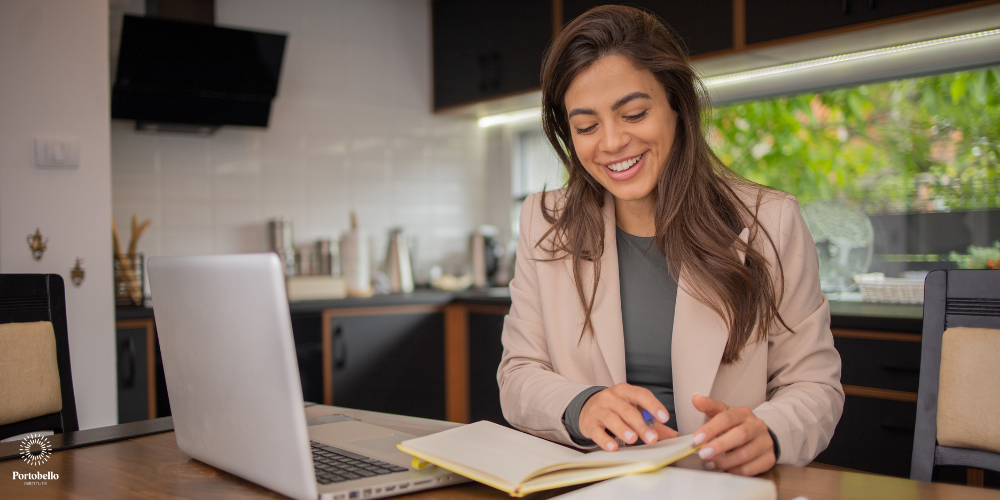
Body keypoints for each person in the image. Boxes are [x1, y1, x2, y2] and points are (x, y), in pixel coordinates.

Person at [497, 5, 844, 476]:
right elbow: (518, 374)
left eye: (634, 113)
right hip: (594, 483)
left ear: (677, 106)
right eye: (586, 126)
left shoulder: (770, 221)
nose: (613, 141)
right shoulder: (544, 223)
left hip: (721, 485)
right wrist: (582, 406)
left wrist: (771, 432)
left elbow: (814, 383)